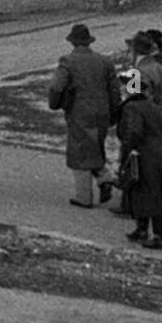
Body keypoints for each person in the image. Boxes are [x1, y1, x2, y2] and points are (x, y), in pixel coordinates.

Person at [48, 23, 120, 208]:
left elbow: (57, 87)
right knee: (96, 145)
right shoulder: (105, 61)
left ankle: (84, 196)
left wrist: (55, 103)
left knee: (80, 151)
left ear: (73, 42)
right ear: (89, 42)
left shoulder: (67, 61)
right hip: (102, 109)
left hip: (80, 110)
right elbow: (114, 90)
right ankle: (105, 178)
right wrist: (115, 112)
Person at [116, 71, 162, 250]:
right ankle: (143, 230)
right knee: (146, 192)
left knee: (149, 194)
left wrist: (126, 154)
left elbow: (133, 133)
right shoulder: (150, 106)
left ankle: (157, 236)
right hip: (159, 155)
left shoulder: (132, 108)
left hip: (145, 156)